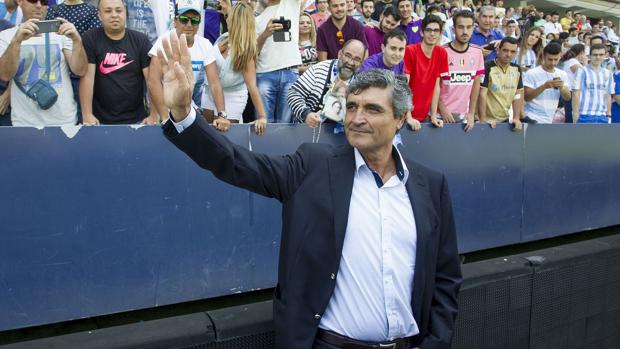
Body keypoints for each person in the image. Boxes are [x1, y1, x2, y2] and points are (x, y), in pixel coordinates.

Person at [159, 30, 462, 349]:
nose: (357, 118)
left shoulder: (430, 185)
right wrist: (183, 115)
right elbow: (236, 163)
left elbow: (445, 277)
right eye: (352, 107)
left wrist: (437, 342)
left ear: (400, 118)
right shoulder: (313, 166)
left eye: (372, 109)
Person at [0, 0, 87, 127]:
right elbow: (4, 75)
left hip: (64, 120)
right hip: (24, 122)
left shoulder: (60, 33)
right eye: (33, 0)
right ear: (19, 1)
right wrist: (17, 41)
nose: (39, 5)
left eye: (45, 1)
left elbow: (80, 70)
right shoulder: (7, 36)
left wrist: (77, 40)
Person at [149, 0, 227, 126]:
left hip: (192, 111)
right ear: (175, 21)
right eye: (184, 19)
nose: (189, 25)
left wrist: (222, 114)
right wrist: (164, 117)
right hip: (168, 110)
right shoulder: (163, 42)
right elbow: (153, 82)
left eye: (195, 21)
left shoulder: (205, 44)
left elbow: (214, 83)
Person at [80, 0, 153, 125]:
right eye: (108, 11)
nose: (114, 15)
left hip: (137, 120)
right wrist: (87, 114)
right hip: (99, 121)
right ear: (99, 15)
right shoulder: (90, 38)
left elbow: (152, 80)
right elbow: (87, 78)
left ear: (125, 13)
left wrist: (154, 114)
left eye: (119, 10)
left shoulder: (141, 40)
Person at [201, 2, 268, 132]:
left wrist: (262, 116)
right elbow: (213, 79)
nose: (226, 19)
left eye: (229, 17)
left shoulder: (246, 50)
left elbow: (252, 86)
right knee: (207, 135)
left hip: (233, 95)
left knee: (225, 136)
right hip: (210, 92)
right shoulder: (222, 38)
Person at [288, 39, 365, 126]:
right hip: (306, 129)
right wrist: (306, 114)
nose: (350, 62)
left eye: (357, 59)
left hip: (339, 134)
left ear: (361, 63)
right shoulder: (319, 69)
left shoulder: (359, 84)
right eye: (348, 55)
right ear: (340, 54)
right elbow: (293, 93)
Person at [255, 0, 302, 123]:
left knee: (285, 126)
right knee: (263, 125)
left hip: (290, 72)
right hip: (265, 74)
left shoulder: (291, 3)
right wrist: (265, 34)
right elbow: (253, 52)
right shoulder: (254, 17)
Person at [437, 10, 484, 131]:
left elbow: (476, 85)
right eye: (461, 27)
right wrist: (442, 109)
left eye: (469, 27)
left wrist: (471, 113)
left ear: (473, 28)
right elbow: (433, 85)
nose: (465, 31)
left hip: (464, 118)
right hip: (440, 116)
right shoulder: (441, 52)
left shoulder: (477, 52)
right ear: (453, 29)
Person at [403, 15, 449, 125]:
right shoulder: (410, 51)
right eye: (428, 30)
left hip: (424, 115)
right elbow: (404, 85)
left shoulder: (441, 53)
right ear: (422, 33)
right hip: (404, 114)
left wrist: (433, 116)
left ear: (440, 34)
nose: (432, 34)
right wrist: (408, 116)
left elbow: (436, 86)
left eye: (436, 31)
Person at [478, 36, 523, 130]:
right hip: (485, 121)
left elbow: (518, 95)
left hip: (504, 120)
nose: (508, 54)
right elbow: (481, 94)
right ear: (498, 50)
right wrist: (483, 120)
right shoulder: (487, 67)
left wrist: (516, 117)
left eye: (512, 52)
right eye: (505, 50)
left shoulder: (517, 69)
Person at [523, 42, 570, 124]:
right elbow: (526, 97)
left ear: (560, 56)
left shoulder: (562, 74)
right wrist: (544, 86)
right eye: (550, 59)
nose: (553, 63)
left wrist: (562, 88)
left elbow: (567, 97)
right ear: (544, 56)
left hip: (550, 118)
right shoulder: (532, 73)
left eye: (556, 59)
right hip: (532, 117)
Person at [572, 43, 614, 124]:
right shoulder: (582, 71)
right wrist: (575, 114)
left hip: (602, 116)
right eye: (595, 55)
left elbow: (608, 95)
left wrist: (608, 115)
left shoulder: (608, 73)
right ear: (590, 56)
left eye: (601, 54)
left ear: (605, 55)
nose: (598, 57)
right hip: (584, 114)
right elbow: (575, 93)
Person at [558, 43, 586, 123]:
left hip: (572, 91)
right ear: (581, 52)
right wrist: (585, 63)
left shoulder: (572, 61)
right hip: (570, 91)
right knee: (570, 113)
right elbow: (583, 75)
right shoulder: (573, 61)